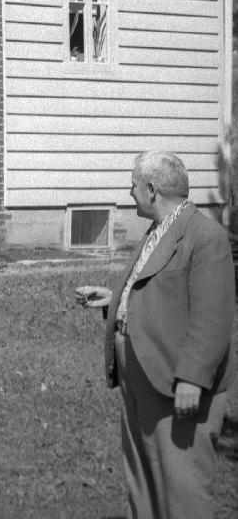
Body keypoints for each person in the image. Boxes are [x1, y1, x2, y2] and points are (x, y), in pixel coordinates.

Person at [75, 149, 235, 519]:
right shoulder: (156, 231)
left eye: (133, 185)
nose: (129, 192)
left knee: (183, 490)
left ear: (151, 190)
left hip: (175, 384)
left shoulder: (205, 237)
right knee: (144, 480)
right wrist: (113, 301)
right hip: (142, 378)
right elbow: (160, 291)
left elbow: (213, 316)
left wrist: (192, 379)